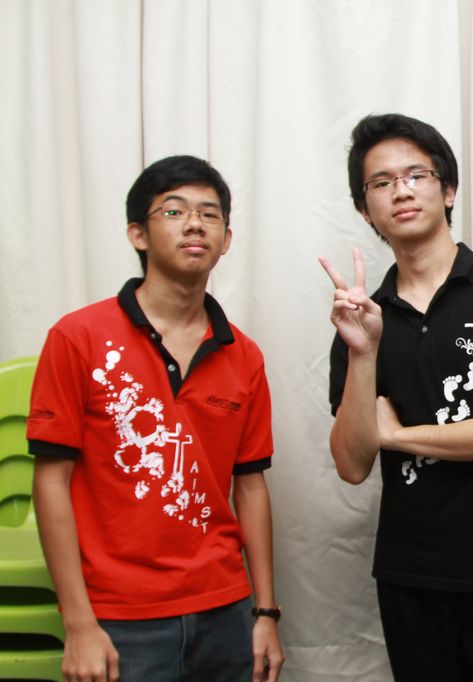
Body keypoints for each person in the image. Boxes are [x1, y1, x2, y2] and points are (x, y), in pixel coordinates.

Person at [321, 113, 473, 681]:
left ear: (448, 190)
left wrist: (399, 436)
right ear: (365, 209)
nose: (401, 191)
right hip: (412, 574)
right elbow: (352, 464)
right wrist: (364, 353)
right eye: (381, 182)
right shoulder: (363, 318)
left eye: (417, 175)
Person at [28, 155, 284, 681]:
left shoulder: (244, 355)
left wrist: (265, 613)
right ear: (138, 234)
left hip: (225, 610)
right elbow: (52, 481)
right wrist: (78, 622)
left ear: (226, 239)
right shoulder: (77, 337)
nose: (194, 224)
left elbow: (250, 485)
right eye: (174, 211)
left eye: (209, 214)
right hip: (119, 618)